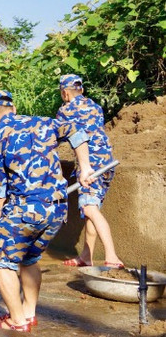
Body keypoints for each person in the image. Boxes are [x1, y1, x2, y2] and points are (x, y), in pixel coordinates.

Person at [0, 90, 93, 332]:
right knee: (29, 258)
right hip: (57, 210)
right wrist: (85, 168)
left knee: (1, 259)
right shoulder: (42, 122)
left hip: (25, 209)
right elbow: (76, 131)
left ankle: (17, 321)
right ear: (13, 108)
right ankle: (29, 314)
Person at [57, 75, 124, 269]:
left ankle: (112, 256)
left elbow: (58, 138)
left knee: (89, 208)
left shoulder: (65, 110)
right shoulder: (95, 106)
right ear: (82, 90)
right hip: (107, 162)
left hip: (91, 165)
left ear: (65, 93)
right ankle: (86, 256)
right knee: (91, 211)